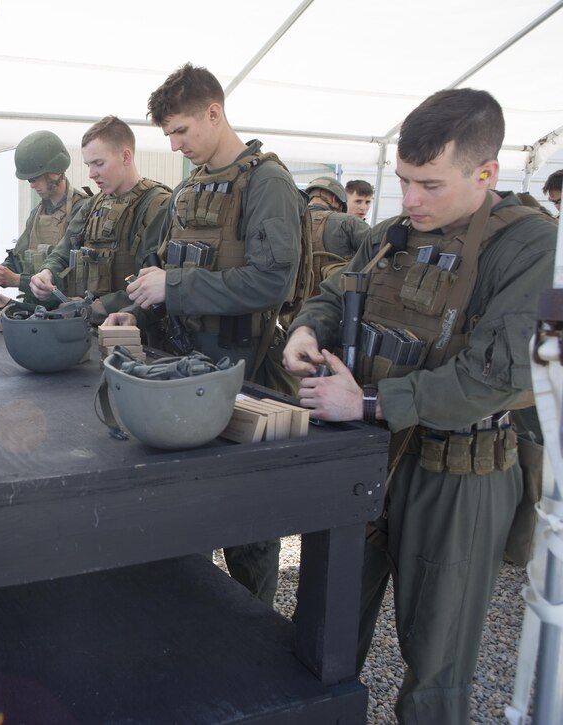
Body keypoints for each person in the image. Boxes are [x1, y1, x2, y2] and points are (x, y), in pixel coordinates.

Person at [283, 88, 556, 723]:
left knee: (436, 665)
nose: (409, 200)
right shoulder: (390, 237)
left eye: (429, 184)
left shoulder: (531, 248)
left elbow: (499, 372)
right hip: (366, 458)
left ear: (486, 173)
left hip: (457, 475)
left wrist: (370, 399)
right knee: (322, 631)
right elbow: (332, 292)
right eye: (403, 180)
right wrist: (305, 330)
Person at [103, 63, 307, 606]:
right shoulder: (189, 189)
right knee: (184, 524)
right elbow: (160, 267)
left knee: (248, 532)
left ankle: (252, 638)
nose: (175, 145)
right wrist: (136, 309)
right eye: (167, 134)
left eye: (182, 130)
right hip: (183, 375)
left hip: (247, 380)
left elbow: (271, 281)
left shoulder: (268, 183)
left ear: (214, 113)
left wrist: (175, 287)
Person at [28, 116, 170, 321]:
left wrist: (101, 306)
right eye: (88, 165)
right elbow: (63, 252)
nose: (91, 174)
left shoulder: (157, 206)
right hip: (86, 325)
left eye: (99, 163)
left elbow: (150, 285)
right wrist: (47, 273)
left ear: (126, 157)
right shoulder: (92, 205)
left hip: (129, 329)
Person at [0, 131, 90, 302]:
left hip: (67, 312)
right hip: (34, 309)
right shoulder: (37, 213)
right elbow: (18, 258)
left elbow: (74, 273)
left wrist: (17, 280)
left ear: (55, 172)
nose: (31, 186)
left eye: (34, 179)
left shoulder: (83, 210)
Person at [304, 176, 370, 295]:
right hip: (335, 305)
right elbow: (380, 253)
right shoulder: (348, 222)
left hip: (293, 307)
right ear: (334, 198)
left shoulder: (291, 221)